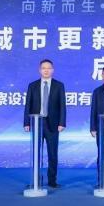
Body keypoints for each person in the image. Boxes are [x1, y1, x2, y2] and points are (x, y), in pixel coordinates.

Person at [24, 59, 66, 188]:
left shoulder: (59, 85)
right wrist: (26, 122)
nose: (46, 70)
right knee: (36, 154)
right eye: (43, 68)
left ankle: (52, 181)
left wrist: (62, 123)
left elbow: (62, 106)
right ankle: (36, 180)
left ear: (52, 70)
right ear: (39, 70)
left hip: (53, 124)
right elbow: (28, 105)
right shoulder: (32, 86)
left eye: (48, 68)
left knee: (52, 154)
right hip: (37, 123)